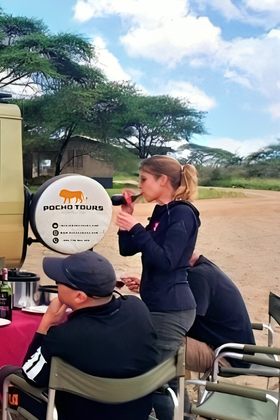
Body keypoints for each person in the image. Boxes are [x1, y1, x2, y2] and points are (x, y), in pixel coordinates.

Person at [0, 251, 159, 420]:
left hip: (73, 414)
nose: (56, 284)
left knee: (6, 376)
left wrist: (46, 324)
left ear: (80, 296)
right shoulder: (138, 308)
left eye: (59, 281)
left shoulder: (64, 336)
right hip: (137, 412)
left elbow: (30, 376)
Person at [115, 155, 200, 419]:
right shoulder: (163, 212)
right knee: (169, 379)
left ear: (162, 180)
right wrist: (127, 219)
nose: (140, 185)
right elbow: (128, 249)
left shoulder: (182, 213)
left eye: (144, 179)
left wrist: (137, 228)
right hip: (160, 304)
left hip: (171, 308)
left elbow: (167, 261)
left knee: (157, 382)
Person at [124, 252, 255, 373]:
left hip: (226, 357)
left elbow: (181, 322)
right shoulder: (202, 267)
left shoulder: (197, 276)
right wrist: (147, 288)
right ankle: (176, 390)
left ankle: (166, 392)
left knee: (154, 339)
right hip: (233, 350)